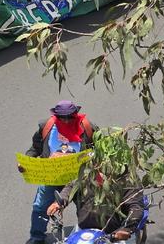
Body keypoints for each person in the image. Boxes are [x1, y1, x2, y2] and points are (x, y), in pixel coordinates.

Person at [22, 100, 97, 244]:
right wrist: (26, 162)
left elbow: (98, 149)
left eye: (70, 116)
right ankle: (37, 237)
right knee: (40, 206)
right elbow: (35, 149)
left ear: (75, 114)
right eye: (63, 117)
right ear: (56, 116)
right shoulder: (47, 127)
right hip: (52, 177)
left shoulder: (87, 127)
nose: (67, 120)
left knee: (86, 207)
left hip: (78, 179)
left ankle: (87, 236)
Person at [47, 178, 146, 243]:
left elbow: (136, 206)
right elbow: (72, 186)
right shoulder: (88, 173)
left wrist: (126, 229)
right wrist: (59, 202)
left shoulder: (127, 179)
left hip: (115, 235)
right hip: (83, 232)